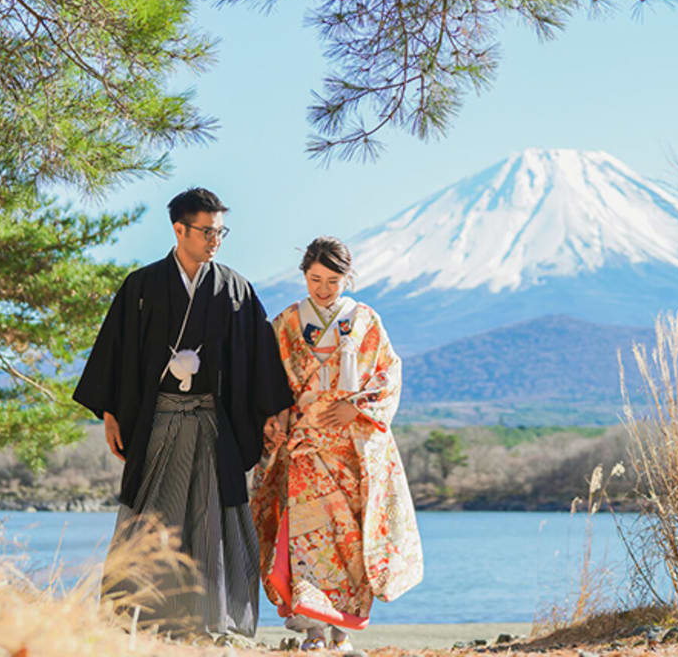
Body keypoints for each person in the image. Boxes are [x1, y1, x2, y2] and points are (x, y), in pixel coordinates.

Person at [72, 187, 293, 638]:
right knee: (151, 516)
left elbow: (259, 356)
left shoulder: (234, 288)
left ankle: (208, 619)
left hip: (213, 422)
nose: (216, 240)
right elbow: (115, 352)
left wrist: (273, 411)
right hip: (159, 422)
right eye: (207, 231)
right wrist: (110, 414)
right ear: (179, 229)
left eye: (220, 232)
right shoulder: (141, 286)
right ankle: (136, 617)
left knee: (212, 518)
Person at [250, 236, 423, 652]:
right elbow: (267, 381)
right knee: (306, 539)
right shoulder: (287, 323)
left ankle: (342, 632)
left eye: (332, 280)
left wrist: (358, 409)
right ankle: (312, 630)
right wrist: (276, 420)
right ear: (304, 276)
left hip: (350, 448)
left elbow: (388, 374)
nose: (323, 289)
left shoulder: (366, 320)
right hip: (305, 445)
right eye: (315, 279)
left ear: (348, 277)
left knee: (350, 541)